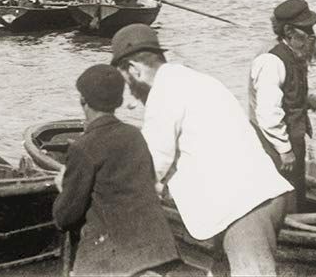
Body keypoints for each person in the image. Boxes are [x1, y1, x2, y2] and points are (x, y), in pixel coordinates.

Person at [110, 24, 292, 277]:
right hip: (258, 197)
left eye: (126, 80)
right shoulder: (197, 80)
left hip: (242, 207)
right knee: (220, 271)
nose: (129, 89)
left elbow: (152, 163)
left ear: (133, 69)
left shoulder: (163, 93)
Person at [53, 64, 180, 277]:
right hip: (159, 252)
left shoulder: (82, 148)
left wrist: (63, 186)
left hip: (114, 262)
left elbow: (64, 217)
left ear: (83, 101)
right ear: (119, 102)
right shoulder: (135, 136)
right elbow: (147, 182)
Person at [250, 0, 316, 213]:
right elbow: (268, 112)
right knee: (281, 198)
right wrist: (284, 149)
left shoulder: (293, 56)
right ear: (289, 31)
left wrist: (312, 100)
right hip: (274, 146)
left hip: (291, 140)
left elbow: (290, 94)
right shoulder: (271, 62)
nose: (313, 35)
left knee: (294, 191)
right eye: (307, 30)